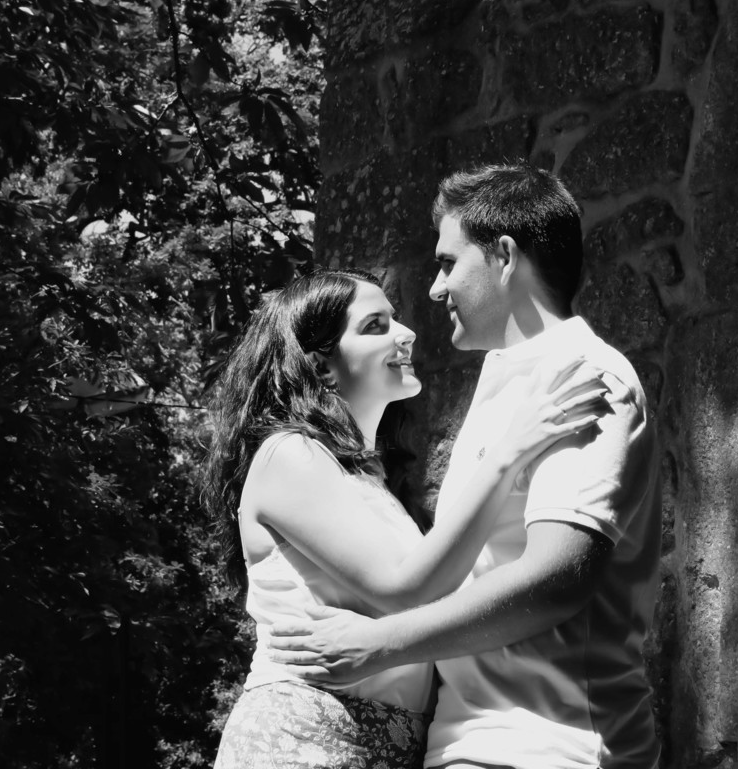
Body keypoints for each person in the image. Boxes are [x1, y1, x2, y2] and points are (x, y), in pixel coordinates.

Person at [269, 165, 664, 768]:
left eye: (448, 263)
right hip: (474, 744)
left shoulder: (584, 376)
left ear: (504, 257)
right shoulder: (506, 380)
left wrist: (378, 645)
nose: (435, 289)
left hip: (550, 748)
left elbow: (558, 578)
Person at [201, 267, 609, 768]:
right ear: (323, 367)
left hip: (389, 743)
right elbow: (406, 590)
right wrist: (509, 452)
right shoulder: (288, 454)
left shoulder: (370, 484)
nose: (407, 332)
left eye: (394, 319)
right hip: (303, 735)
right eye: (375, 325)